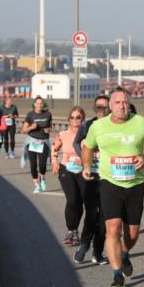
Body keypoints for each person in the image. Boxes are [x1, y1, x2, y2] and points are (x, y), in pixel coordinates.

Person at [81, 89, 144, 287]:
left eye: (125, 102)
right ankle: (117, 274)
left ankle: (125, 252)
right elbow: (87, 147)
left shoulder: (140, 122)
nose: (122, 106)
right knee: (113, 228)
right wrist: (86, 166)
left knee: (132, 233)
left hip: (135, 184)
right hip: (110, 183)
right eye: (117, 102)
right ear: (110, 105)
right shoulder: (98, 126)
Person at [72, 94, 110, 265]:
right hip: (91, 175)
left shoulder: (115, 126)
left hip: (109, 176)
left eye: (104, 107)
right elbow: (76, 142)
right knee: (91, 213)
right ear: (95, 109)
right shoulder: (88, 125)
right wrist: (85, 159)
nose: (101, 110)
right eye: (98, 107)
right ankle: (84, 244)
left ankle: (98, 251)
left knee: (104, 216)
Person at [53, 106, 87, 245]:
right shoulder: (62, 134)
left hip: (82, 170)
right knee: (72, 199)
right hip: (66, 169)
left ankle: (75, 232)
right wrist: (55, 162)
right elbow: (55, 149)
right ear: (68, 120)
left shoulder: (88, 135)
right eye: (72, 117)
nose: (75, 120)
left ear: (83, 119)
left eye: (78, 117)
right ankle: (70, 230)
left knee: (79, 201)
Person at [22, 96, 53, 193]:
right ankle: (36, 185)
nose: (39, 105)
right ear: (34, 104)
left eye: (41, 103)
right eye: (37, 103)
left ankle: (42, 179)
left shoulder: (48, 114)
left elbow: (50, 127)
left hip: (43, 142)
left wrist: (48, 130)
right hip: (32, 141)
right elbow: (23, 130)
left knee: (43, 164)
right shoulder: (30, 115)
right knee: (33, 165)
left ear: (43, 104)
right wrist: (31, 127)